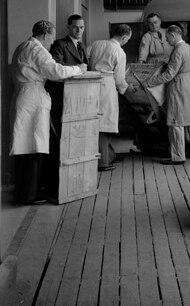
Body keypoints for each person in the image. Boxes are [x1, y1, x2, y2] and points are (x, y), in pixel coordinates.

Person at [10, 20, 86, 205]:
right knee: (34, 146)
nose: (52, 42)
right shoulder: (36, 49)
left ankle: (26, 191)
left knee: (27, 146)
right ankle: (29, 194)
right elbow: (55, 70)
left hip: (26, 97)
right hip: (32, 99)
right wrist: (79, 69)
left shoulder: (23, 46)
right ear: (44, 35)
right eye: (51, 38)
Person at [145, 25, 190, 165]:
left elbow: (169, 75)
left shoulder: (178, 51)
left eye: (167, 38)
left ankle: (178, 157)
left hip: (179, 85)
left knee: (176, 121)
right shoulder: (189, 48)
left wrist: (150, 81)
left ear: (173, 35)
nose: (167, 41)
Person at [43, 14, 89, 198]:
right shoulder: (60, 44)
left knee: (76, 135)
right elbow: (57, 68)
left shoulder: (81, 45)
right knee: (61, 136)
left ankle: (75, 176)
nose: (79, 31)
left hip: (79, 97)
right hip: (62, 96)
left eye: (82, 27)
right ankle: (59, 180)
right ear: (68, 27)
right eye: (76, 27)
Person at [88, 24, 133, 171]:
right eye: (127, 39)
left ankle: (109, 154)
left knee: (95, 122)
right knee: (105, 125)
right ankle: (103, 162)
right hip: (107, 87)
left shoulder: (96, 44)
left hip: (92, 83)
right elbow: (119, 79)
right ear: (125, 37)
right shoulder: (119, 52)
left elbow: (88, 59)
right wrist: (127, 88)